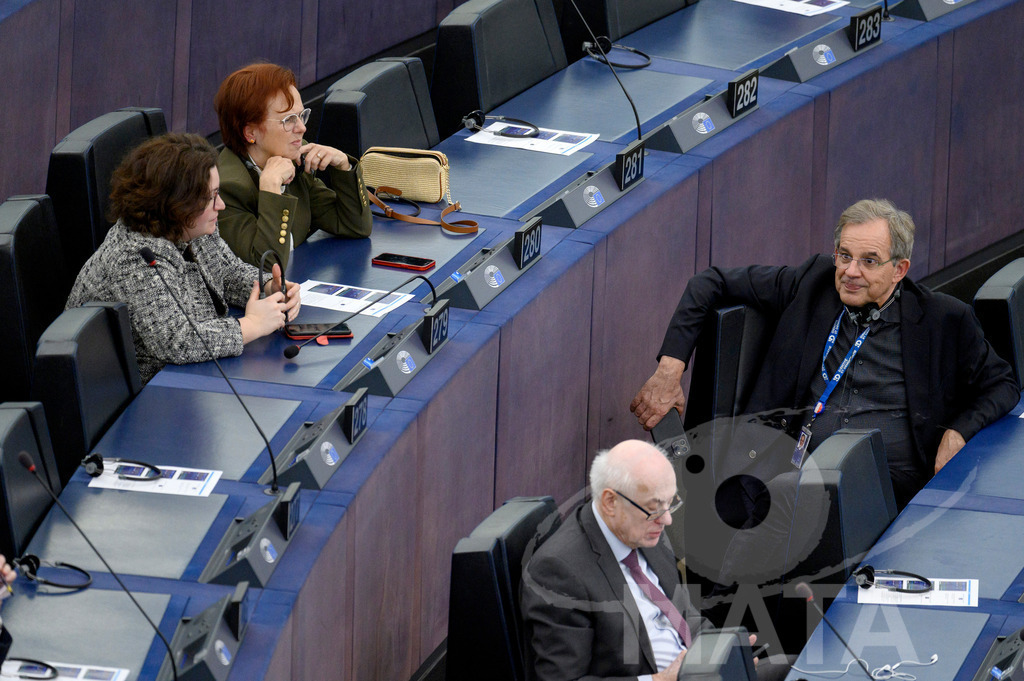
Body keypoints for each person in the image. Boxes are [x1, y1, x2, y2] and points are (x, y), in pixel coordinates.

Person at [630, 198, 1019, 509]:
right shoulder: (813, 282)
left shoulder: (942, 319)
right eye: (844, 256)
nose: (850, 271)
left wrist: (957, 431)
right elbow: (708, 282)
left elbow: (1002, 384)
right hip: (783, 471)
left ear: (900, 269)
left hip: (887, 488)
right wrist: (668, 373)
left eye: (869, 261)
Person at [521, 440, 786, 681]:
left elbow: (685, 615)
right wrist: (660, 680)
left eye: (671, 504)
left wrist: (723, 655)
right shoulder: (558, 571)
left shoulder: (643, 526)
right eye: (655, 508)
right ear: (610, 502)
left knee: (794, 667)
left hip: (697, 673)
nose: (667, 520)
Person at [66, 132, 301, 383]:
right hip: (141, 390)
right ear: (177, 204)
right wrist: (252, 325)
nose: (220, 205)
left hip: (185, 376)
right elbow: (177, 340)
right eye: (211, 197)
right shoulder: (133, 257)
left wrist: (268, 286)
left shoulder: (191, 224)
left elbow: (226, 271)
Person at [214, 62, 372, 270]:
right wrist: (271, 188)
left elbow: (355, 226)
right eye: (288, 120)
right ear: (250, 132)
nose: (302, 128)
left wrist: (344, 166)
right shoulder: (227, 188)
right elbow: (267, 267)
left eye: (301, 115)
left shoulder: (292, 159)